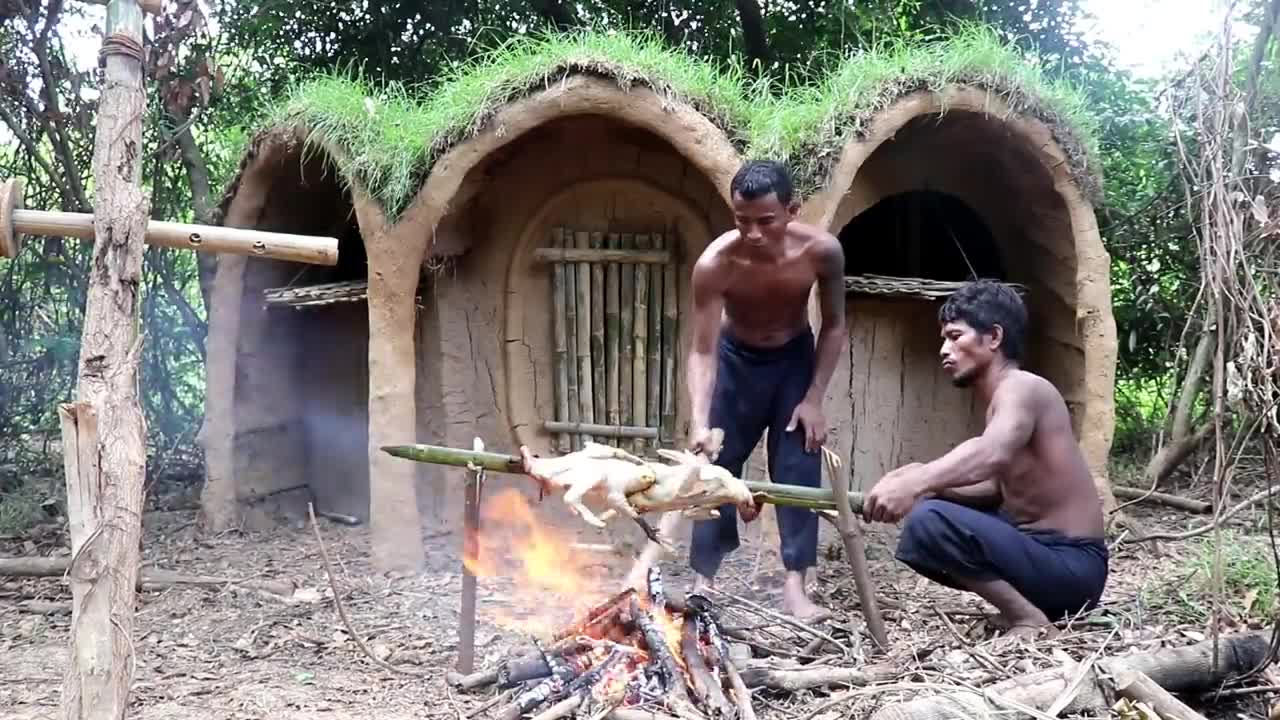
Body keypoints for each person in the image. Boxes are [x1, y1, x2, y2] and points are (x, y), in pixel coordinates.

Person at [625, 159, 847, 621]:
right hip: (736, 362)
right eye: (742, 221)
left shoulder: (822, 252)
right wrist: (701, 419)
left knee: (797, 466)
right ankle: (705, 582)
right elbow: (703, 349)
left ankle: (794, 588)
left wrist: (814, 398)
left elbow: (835, 327)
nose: (754, 233)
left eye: (766, 221)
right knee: (714, 470)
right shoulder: (716, 263)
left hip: (793, 361)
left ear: (792, 209)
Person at [862, 280, 1108, 639]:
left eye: (955, 336)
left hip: (1073, 566)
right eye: (943, 339)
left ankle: (1028, 619)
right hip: (1052, 564)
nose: (945, 349)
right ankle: (1033, 611)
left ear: (993, 337)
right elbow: (993, 487)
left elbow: (991, 452)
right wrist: (921, 482)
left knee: (930, 522)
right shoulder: (1002, 399)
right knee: (932, 509)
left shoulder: (1022, 387)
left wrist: (920, 481)